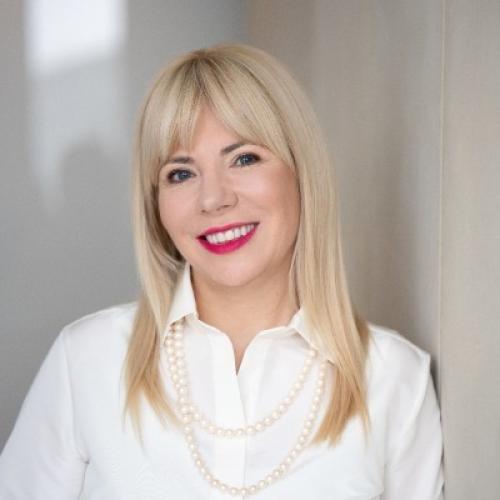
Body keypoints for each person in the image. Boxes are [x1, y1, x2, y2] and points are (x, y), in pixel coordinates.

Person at [0, 43, 444, 499]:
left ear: (301, 172)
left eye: (244, 158)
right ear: (155, 205)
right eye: (180, 173)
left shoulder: (395, 380)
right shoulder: (86, 361)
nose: (213, 199)